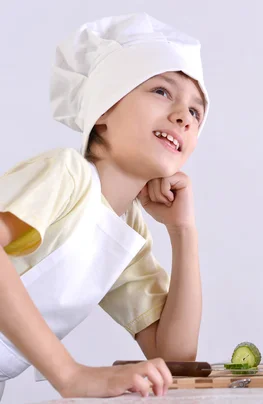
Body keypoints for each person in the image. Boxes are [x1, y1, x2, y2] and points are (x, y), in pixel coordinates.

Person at [0, 12, 209, 399]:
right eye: (162, 91)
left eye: (196, 112)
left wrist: (183, 232)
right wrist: (70, 375)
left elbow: (174, 355)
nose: (183, 116)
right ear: (104, 110)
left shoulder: (127, 232)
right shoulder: (65, 174)